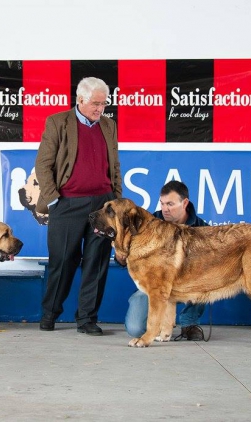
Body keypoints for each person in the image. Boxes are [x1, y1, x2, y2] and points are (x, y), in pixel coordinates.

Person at [35, 77, 122, 336]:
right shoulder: (57, 122)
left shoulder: (109, 125)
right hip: (67, 204)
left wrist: (116, 202)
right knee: (63, 262)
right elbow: (43, 164)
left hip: (103, 205)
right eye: (95, 103)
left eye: (103, 104)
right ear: (80, 99)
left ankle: (86, 319)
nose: (100, 109)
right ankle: (49, 313)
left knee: (97, 264)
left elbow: (114, 166)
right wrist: (54, 200)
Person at [125, 180, 208, 341]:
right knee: (135, 329)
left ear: (185, 203)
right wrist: (123, 257)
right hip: (153, 285)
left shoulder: (201, 228)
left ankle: (189, 323)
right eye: (162, 203)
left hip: (187, 284)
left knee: (204, 276)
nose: (164, 209)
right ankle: (160, 325)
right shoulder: (150, 221)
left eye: (170, 204)